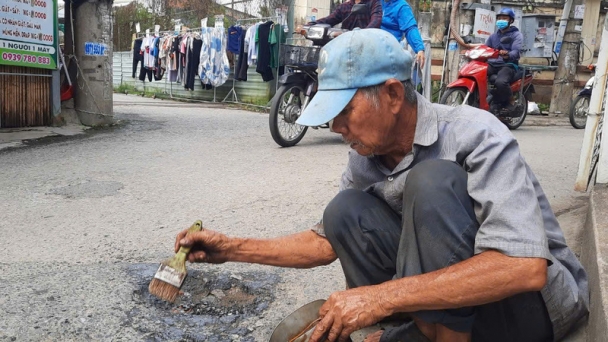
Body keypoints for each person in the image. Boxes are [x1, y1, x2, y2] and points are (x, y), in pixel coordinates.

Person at [174, 28, 588, 342]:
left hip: (532, 311)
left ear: (392, 95)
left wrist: (378, 299)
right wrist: (230, 248)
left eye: (345, 111)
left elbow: (525, 267)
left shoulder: (475, 133)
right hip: (465, 311)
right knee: (345, 211)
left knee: (432, 183)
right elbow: (324, 242)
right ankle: (421, 330)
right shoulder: (366, 155)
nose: (336, 127)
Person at [485, 8, 524, 113]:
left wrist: (507, 54)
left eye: (504, 18)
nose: (501, 20)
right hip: (492, 64)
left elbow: (516, 51)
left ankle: (510, 101)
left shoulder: (516, 35)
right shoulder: (493, 36)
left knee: (501, 82)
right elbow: (486, 48)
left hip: (508, 64)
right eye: (499, 18)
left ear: (511, 20)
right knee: (476, 73)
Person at [380, 0, 425, 67]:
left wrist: (419, 48)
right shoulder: (375, 2)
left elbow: (410, 28)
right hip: (372, 49)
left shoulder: (402, 6)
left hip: (390, 53)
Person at [304, 0, 382, 31]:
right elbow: (329, 19)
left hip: (367, 43)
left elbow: (376, 21)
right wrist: (309, 25)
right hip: (345, 44)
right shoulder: (344, 6)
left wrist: (363, 33)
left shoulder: (374, 3)